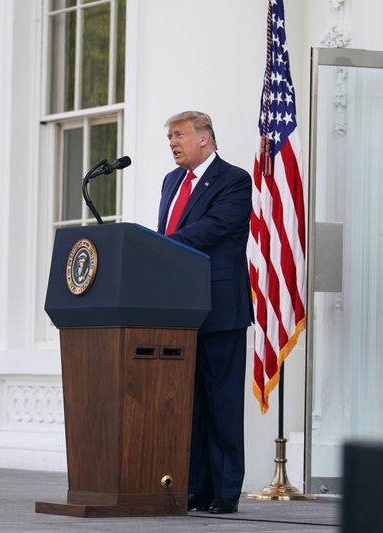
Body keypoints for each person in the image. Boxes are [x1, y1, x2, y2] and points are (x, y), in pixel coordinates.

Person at [157, 111, 252, 514]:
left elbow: (215, 227)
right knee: (190, 405)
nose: (173, 143)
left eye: (179, 135)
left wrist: (159, 244)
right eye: (169, 138)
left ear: (204, 139)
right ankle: (196, 487)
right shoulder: (171, 181)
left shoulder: (233, 179)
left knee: (222, 402)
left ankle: (226, 491)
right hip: (180, 308)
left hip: (221, 309)